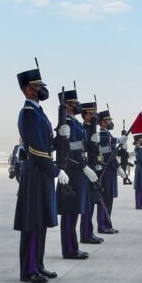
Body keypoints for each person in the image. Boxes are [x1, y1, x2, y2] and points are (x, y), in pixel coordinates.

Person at [13, 66, 68, 283]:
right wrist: (55, 170)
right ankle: (28, 270)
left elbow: (47, 146)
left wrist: (60, 136)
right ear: (28, 89)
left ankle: (38, 264)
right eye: (39, 87)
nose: (42, 90)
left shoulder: (38, 112)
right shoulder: (27, 114)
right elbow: (36, 149)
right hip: (36, 172)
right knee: (33, 222)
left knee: (41, 221)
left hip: (42, 172)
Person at [55, 88, 93, 260]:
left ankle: (73, 247)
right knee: (70, 212)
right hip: (73, 171)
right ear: (68, 106)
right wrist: (84, 166)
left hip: (78, 171)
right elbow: (72, 150)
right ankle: (69, 249)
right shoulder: (68, 124)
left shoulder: (75, 123)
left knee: (75, 211)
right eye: (76, 103)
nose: (78, 106)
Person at [96, 109, 128, 234]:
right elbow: (108, 154)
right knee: (106, 198)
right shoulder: (102, 135)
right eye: (108, 120)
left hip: (110, 171)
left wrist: (122, 149)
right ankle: (103, 226)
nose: (110, 122)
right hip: (106, 171)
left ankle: (107, 224)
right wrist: (118, 167)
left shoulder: (108, 135)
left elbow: (114, 152)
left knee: (109, 199)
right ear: (103, 122)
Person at [78, 102, 105, 245]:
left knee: (92, 202)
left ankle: (89, 232)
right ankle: (85, 234)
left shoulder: (93, 130)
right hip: (87, 169)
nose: (95, 116)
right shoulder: (83, 129)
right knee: (88, 204)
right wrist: (91, 141)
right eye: (92, 113)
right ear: (86, 115)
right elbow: (82, 149)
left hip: (94, 167)